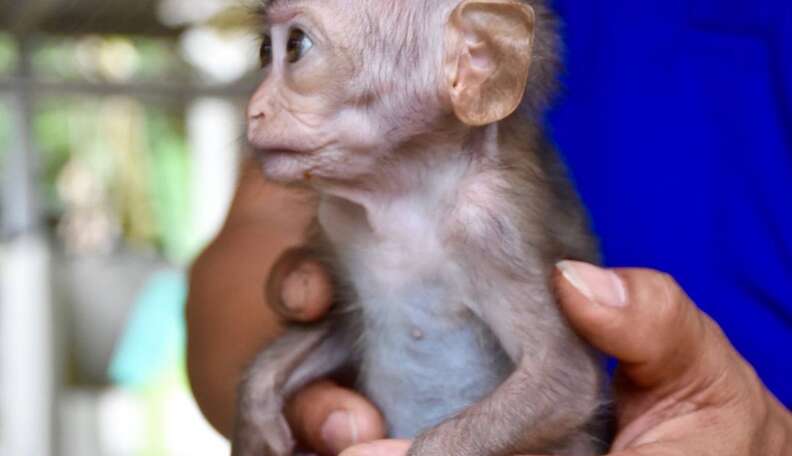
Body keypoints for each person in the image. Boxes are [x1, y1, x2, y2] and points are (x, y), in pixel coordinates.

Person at [187, 1, 792, 454]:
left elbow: (564, 382)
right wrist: (270, 389)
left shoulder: (481, 210)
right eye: (270, 49)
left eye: (298, 49)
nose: (256, 105)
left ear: (472, 62)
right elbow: (258, 234)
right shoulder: (348, 192)